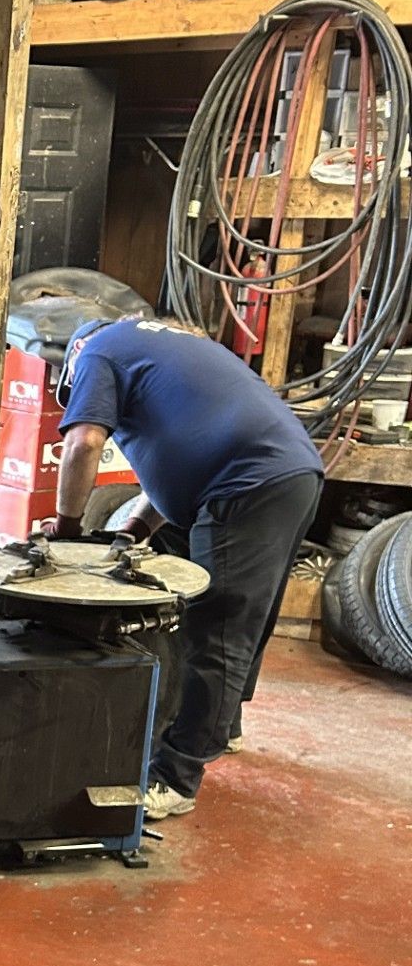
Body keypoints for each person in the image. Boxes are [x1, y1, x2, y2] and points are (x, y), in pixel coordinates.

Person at [43, 315, 325, 821]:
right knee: (244, 618)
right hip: (291, 471)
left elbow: (83, 442)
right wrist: (134, 527)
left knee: (217, 632)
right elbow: (179, 455)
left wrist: (66, 528)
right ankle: (225, 723)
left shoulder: (97, 352)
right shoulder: (157, 350)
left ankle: (175, 777)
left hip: (245, 483)